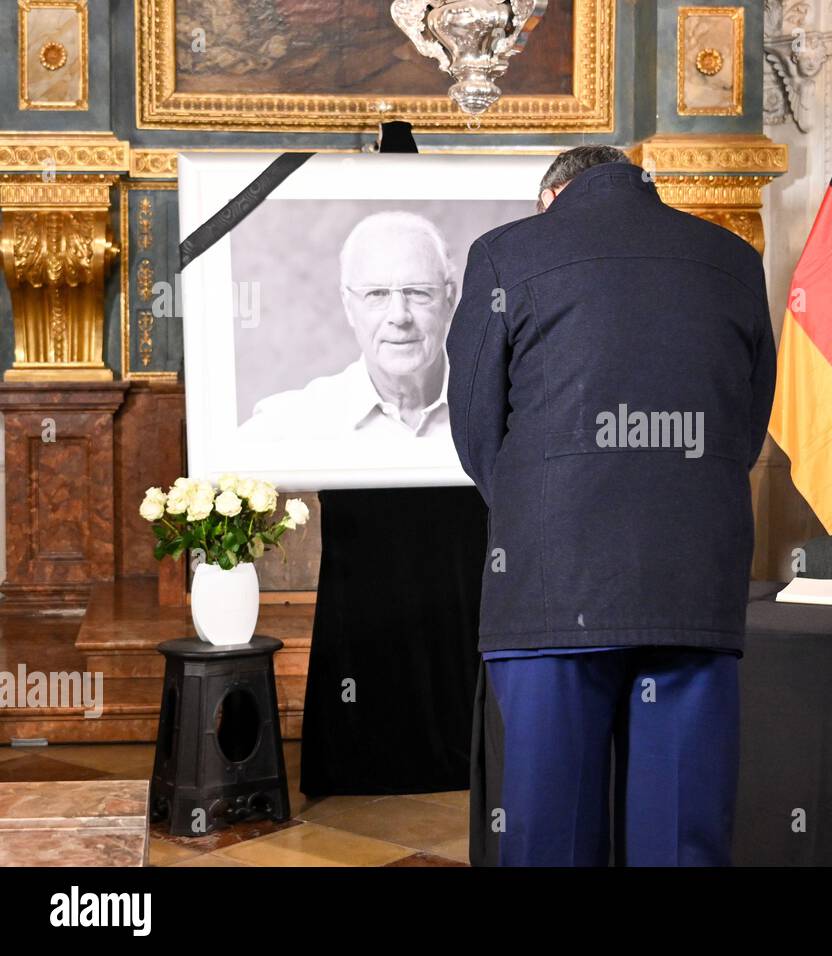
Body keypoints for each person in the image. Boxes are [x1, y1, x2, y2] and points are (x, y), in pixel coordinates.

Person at [447, 145, 776, 866]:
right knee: (682, 836)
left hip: (552, 588)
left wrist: (538, 510)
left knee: (549, 835)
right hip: (694, 579)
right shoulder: (733, 258)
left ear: (550, 198)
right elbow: (747, 421)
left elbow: (474, 424)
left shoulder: (505, 253)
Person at [238, 210, 456, 448]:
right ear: (348, 306)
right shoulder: (284, 429)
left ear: (449, 300)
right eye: (377, 294)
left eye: (417, 292)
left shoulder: (500, 415)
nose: (399, 316)